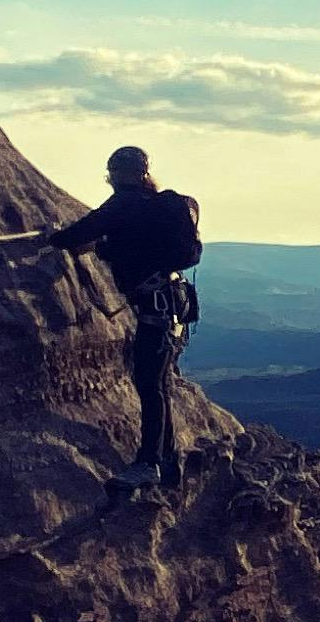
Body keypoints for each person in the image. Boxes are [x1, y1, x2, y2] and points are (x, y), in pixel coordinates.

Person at [46, 145, 203, 494]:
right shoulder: (150, 207)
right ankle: (167, 463)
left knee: (150, 385)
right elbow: (130, 245)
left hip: (156, 311)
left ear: (116, 174)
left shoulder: (123, 204)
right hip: (170, 308)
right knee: (158, 386)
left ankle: (148, 464)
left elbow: (78, 233)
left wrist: (51, 236)